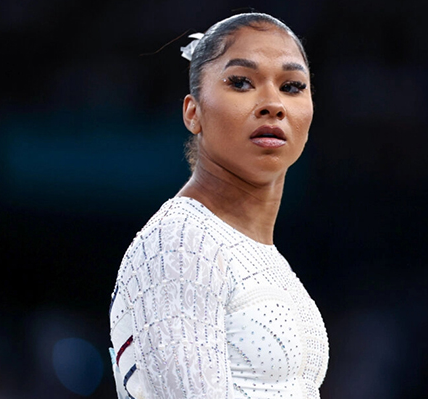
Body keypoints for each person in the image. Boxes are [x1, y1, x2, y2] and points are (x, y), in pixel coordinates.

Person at [108, 13, 329, 399]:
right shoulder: (182, 240)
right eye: (241, 82)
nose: (272, 104)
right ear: (193, 112)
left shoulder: (265, 258)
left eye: (292, 86)